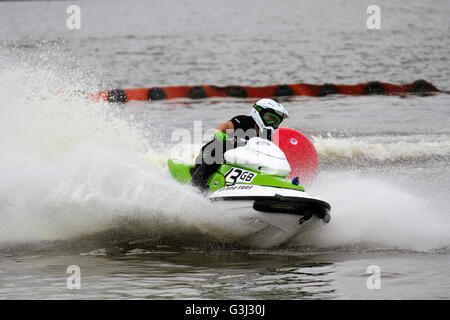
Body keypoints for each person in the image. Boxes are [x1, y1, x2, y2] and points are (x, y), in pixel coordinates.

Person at [190, 98, 289, 191]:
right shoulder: (243, 121)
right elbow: (224, 126)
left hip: (233, 160)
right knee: (219, 150)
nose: (271, 123)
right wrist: (219, 133)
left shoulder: (266, 136)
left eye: (275, 121)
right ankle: (196, 187)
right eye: (269, 118)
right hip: (209, 153)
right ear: (259, 112)